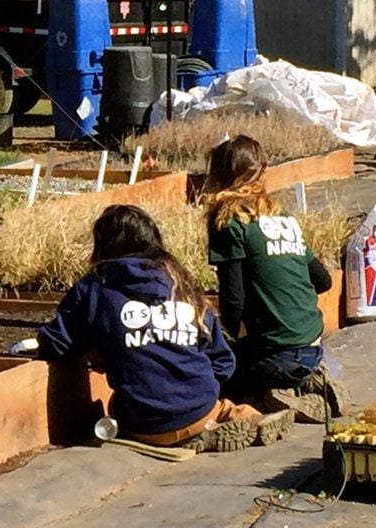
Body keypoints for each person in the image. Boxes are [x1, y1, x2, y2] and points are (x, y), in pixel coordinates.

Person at [36, 204, 293, 452]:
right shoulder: (180, 283)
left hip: (142, 423)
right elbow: (223, 360)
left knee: (115, 405)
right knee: (225, 407)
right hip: (200, 408)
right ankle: (240, 419)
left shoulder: (94, 287)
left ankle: (186, 434)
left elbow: (58, 342)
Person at [203, 134, 345, 422]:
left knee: (213, 374)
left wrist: (225, 339)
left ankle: (270, 401)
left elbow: (233, 299)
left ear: (217, 175)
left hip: (273, 356)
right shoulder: (282, 217)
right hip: (314, 346)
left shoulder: (227, 220)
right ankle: (305, 382)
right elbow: (323, 282)